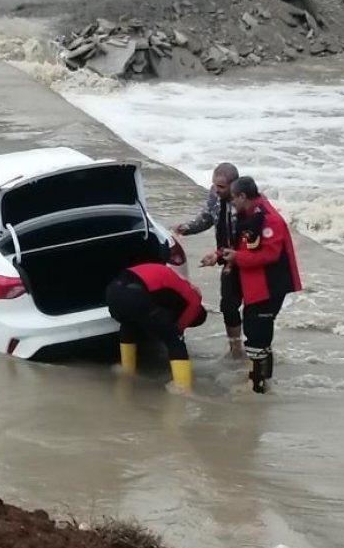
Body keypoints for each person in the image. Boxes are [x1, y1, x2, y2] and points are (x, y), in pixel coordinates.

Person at [204, 176, 301, 394]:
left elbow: (270, 255)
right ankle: (259, 382)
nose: (231, 204)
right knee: (256, 333)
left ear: (242, 196)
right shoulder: (250, 214)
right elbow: (242, 245)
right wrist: (220, 255)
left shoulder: (269, 220)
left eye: (233, 199)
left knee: (258, 336)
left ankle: (259, 387)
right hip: (255, 284)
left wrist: (236, 257)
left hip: (270, 285)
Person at [174, 162, 243, 359]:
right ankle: (236, 349)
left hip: (246, 258)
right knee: (228, 305)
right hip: (227, 258)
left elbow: (244, 237)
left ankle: (258, 348)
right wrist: (186, 228)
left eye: (221, 187)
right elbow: (208, 218)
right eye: (214, 185)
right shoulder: (214, 195)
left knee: (254, 308)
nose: (216, 190)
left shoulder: (243, 202)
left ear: (234, 185)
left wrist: (218, 255)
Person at [106, 263, 207, 393]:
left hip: (113, 292)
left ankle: (127, 370)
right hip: (135, 294)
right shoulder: (194, 303)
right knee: (174, 340)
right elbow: (177, 330)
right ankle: (183, 387)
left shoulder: (182, 284)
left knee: (129, 324)